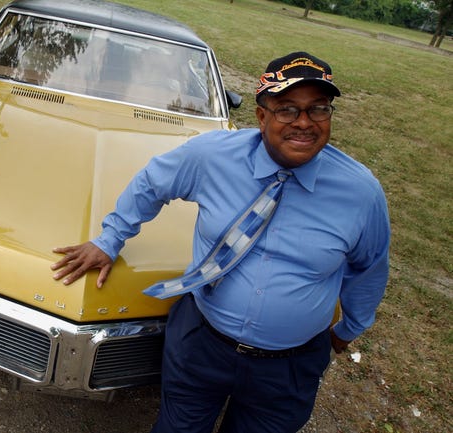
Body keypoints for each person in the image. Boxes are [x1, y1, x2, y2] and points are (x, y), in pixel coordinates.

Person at [51, 51, 390, 433]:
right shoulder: (212, 156)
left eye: (318, 109)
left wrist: (349, 330)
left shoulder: (361, 193)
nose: (304, 123)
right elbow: (151, 183)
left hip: (290, 366)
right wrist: (109, 239)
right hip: (202, 343)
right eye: (287, 110)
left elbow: (369, 266)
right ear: (262, 116)